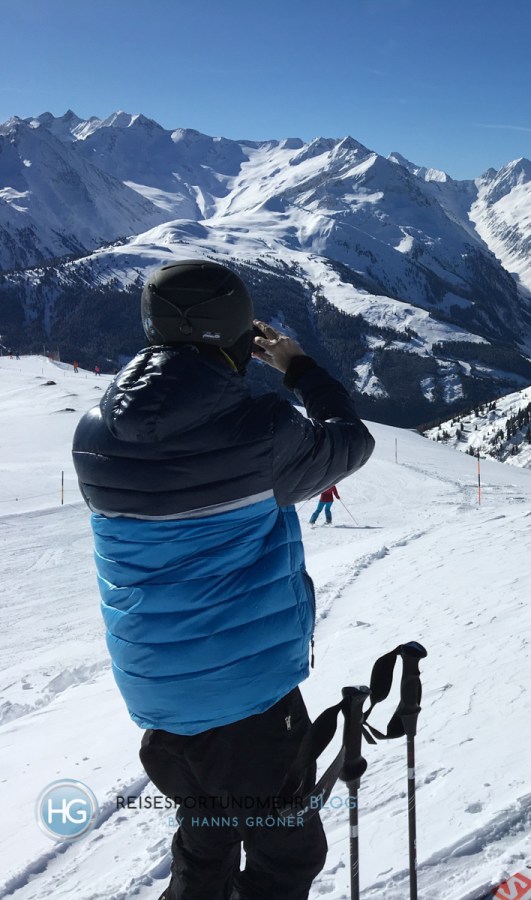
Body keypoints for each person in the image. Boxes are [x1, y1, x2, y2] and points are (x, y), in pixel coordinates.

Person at [72, 259, 375, 900]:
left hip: (158, 696)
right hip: (249, 696)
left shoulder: (93, 436)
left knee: (205, 833)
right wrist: (297, 367)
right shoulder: (264, 428)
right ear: (239, 335)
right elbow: (351, 441)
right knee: (287, 855)